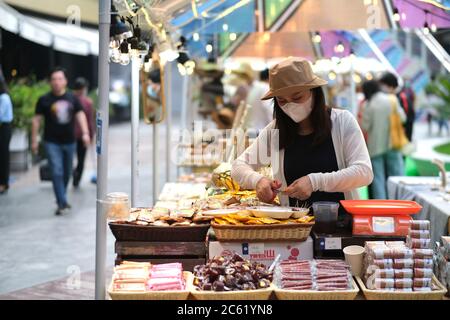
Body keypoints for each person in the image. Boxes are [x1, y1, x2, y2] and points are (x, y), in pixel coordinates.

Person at [231, 57, 373, 209]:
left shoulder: (342, 121)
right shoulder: (274, 131)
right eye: (282, 100)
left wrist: (314, 182)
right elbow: (238, 166)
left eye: (297, 97)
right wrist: (258, 180)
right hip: (293, 227)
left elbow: (364, 172)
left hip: (340, 224)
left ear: (314, 92)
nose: (290, 105)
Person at [31, 67, 91, 215]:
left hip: (70, 141)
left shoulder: (72, 98)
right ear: (50, 82)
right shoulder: (44, 100)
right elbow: (36, 121)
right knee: (56, 171)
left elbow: (80, 115)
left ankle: (61, 198)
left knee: (67, 173)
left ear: (65, 81)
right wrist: (34, 140)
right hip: (51, 142)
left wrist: (85, 133)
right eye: (54, 79)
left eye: (59, 79)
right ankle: (62, 202)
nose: (57, 82)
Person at [361, 80, 406, 199]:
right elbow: (403, 118)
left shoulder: (368, 104)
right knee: (397, 176)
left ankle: (381, 205)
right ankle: (400, 201)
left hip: (375, 145)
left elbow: (365, 126)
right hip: (393, 142)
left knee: (378, 179)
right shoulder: (392, 99)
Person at [379, 73, 415, 141]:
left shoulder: (400, 97)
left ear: (390, 86)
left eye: (383, 86)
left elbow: (405, 118)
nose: (382, 88)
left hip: (402, 136)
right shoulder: (398, 95)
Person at [72, 77, 95, 187]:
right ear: (84, 88)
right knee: (81, 159)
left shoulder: (69, 99)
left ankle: (73, 175)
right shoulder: (88, 102)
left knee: (68, 159)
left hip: (70, 135)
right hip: (83, 136)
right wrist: (91, 135)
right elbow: (90, 121)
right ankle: (76, 179)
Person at [0, 78, 13, 194]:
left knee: (3, 155)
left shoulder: (3, 98)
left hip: (4, 128)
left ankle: (4, 183)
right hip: (3, 127)